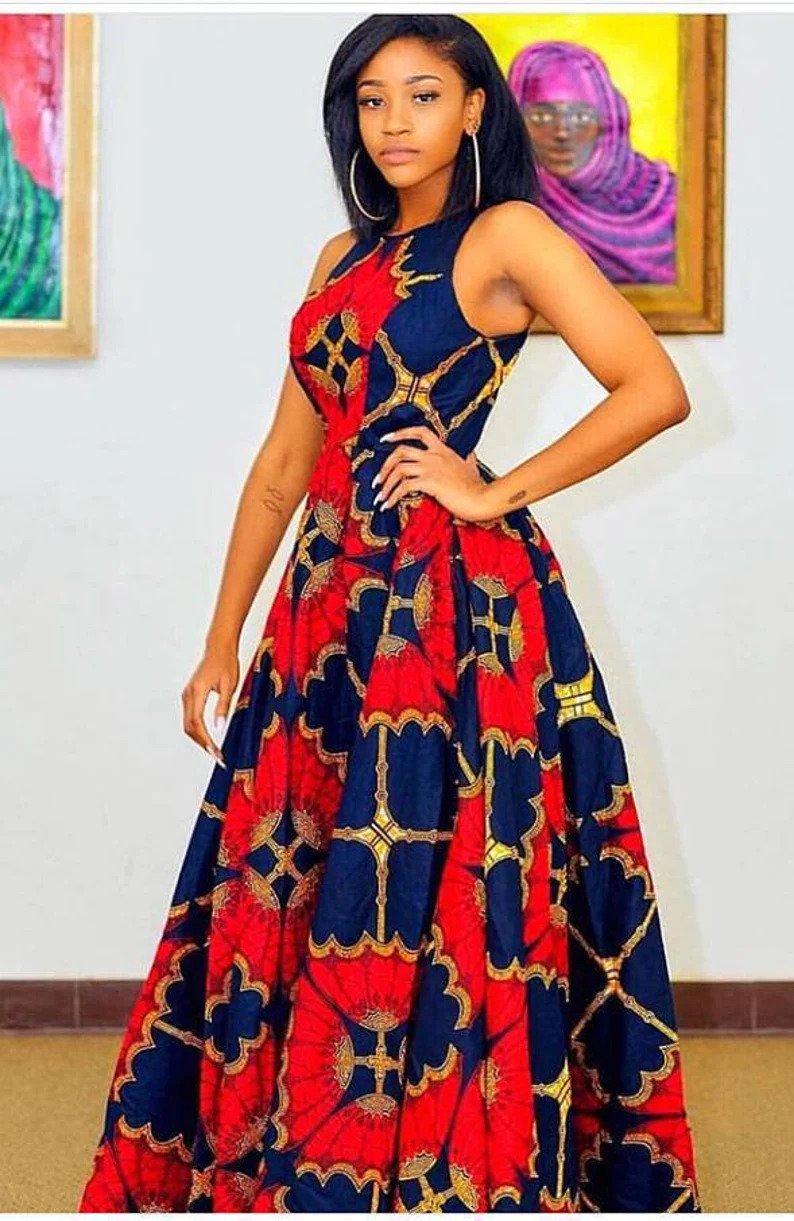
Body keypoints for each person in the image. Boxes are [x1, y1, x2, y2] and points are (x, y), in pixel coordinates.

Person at [78, 13, 702, 1214]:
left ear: (473, 110)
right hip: (323, 614)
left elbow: (651, 386)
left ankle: (437, 1168)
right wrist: (220, 638)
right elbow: (283, 465)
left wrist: (493, 490)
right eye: (371, 99)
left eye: (422, 94)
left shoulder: (507, 234)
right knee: (305, 876)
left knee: (441, 878)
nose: (394, 121)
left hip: (449, 615)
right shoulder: (338, 259)